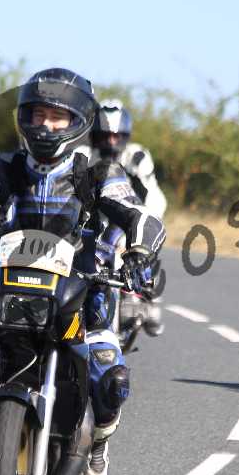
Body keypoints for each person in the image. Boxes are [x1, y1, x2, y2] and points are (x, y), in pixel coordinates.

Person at [0, 67, 165, 475]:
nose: (45, 126)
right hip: (9, 289)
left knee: (111, 379)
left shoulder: (99, 173)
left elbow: (138, 215)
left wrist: (140, 252)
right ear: (23, 118)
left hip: (83, 294)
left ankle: (96, 455)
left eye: (57, 117)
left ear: (78, 122)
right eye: (37, 115)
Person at [91, 98, 168, 336]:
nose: (111, 142)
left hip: (136, 211)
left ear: (125, 135)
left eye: (116, 136)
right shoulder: (85, 156)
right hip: (101, 216)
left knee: (141, 244)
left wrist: (139, 226)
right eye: (105, 136)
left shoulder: (137, 157)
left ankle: (150, 297)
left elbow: (151, 194)